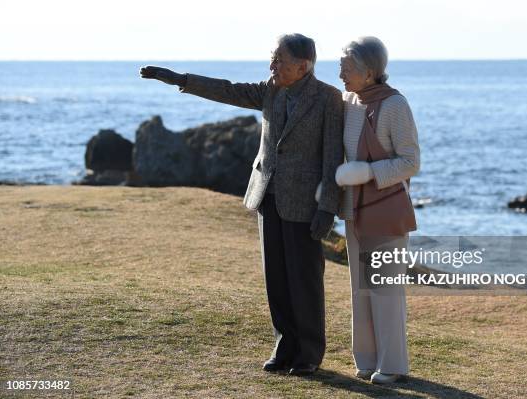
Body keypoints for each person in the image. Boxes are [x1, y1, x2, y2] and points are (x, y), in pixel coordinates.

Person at [139, 33, 344, 376]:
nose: (272, 65)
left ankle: (308, 352)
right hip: (267, 195)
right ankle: (285, 344)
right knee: (276, 278)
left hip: (305, 203)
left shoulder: (328, 98)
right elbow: (230, 90)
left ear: (303, 65)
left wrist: (328, 208)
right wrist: (181, 80)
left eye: (279, 60)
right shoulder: (271, 89)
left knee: (304, 279)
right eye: (272, 58)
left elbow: (333, 157)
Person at [335, 36, 420, 384]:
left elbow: (411, 161)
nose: (340, 72)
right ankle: (367, 360)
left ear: (368, 72)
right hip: (354, 211)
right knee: (361, 290)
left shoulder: (395, 104)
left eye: (346, 66)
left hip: (384, 211)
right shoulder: (348, 101)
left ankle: (393, 365)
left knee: (386, 292)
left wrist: (370, 172)